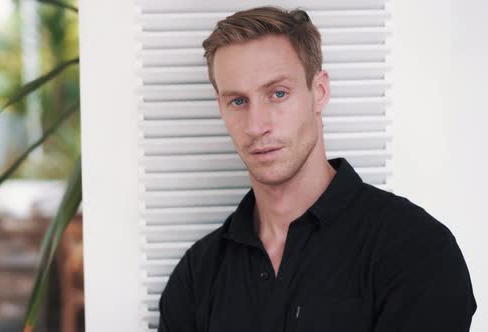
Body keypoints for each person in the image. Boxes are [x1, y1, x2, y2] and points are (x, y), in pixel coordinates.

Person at [157, 6, 476, 332]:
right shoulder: (197, 274)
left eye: (278, 93)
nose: (256, 126)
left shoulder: (414, 249)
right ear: (220, 107)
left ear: (319, 92)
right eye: (238, 101)